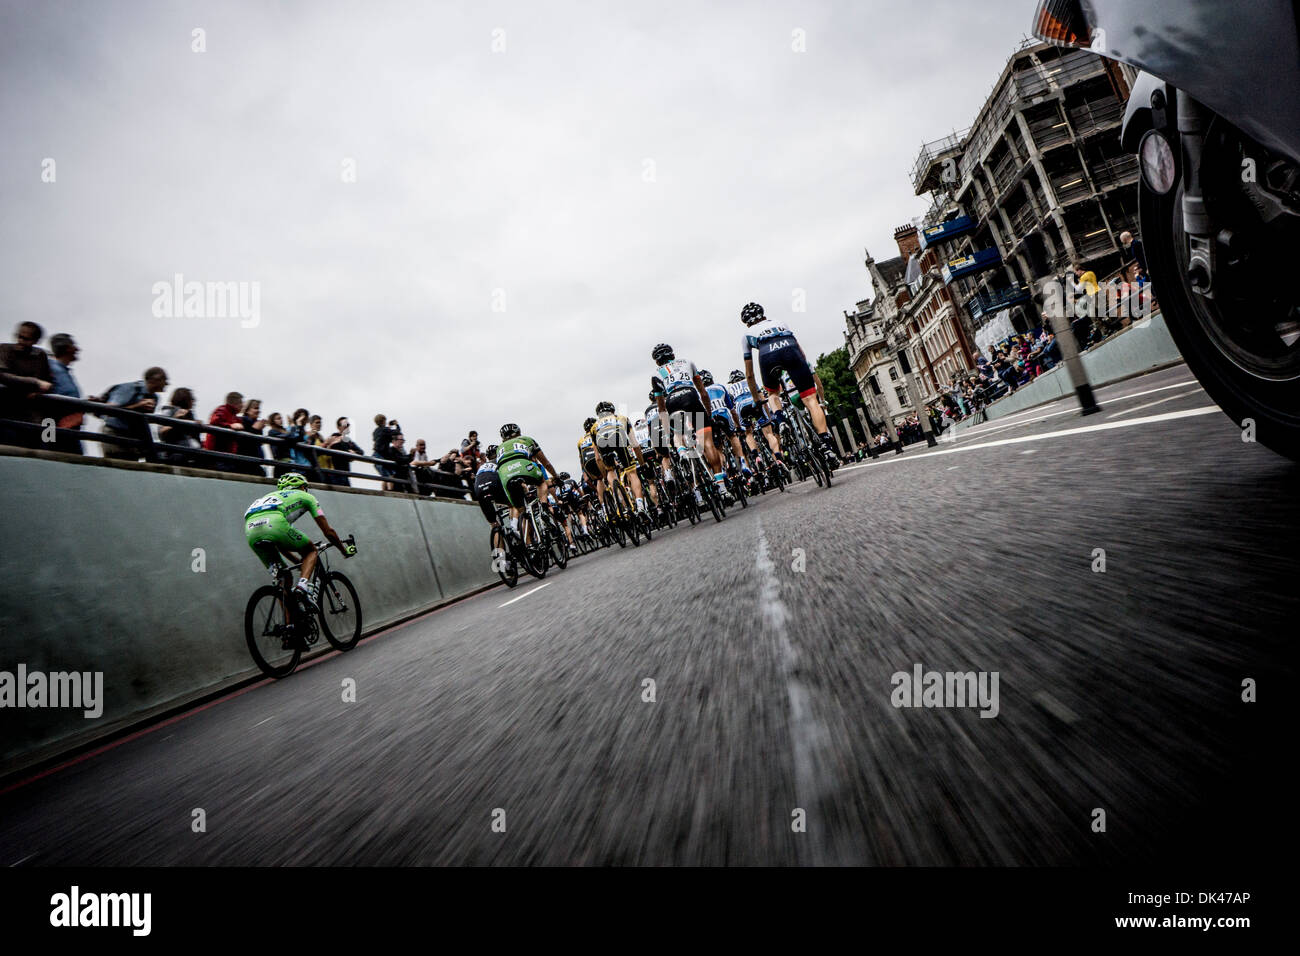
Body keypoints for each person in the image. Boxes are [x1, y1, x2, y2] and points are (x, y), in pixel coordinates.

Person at [738, 302, 840, 470]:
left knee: (773, 394)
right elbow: (802, 353)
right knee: (810, 399)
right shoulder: (780, 322)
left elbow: (749, 374)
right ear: (763, 315)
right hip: (790, 348)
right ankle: (826, 444)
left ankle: (781, 419)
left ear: (747, 323)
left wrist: (757, 400)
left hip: (767, 355)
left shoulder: (746, 335)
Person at [243, 473, 354, 613]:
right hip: (275, 524)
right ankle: (302, 587)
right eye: (305, 488)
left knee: (284, 580)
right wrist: (343, 550)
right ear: (302, 487)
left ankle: (289, 627)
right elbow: (329, 532)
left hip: (251, 531)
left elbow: (280, 544)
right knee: (311, 551)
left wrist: (298, 562)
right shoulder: (306, 496)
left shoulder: (271, 497)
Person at [650, 342, 731, 500]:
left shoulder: (656, 374)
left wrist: (668, 433)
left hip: (672, 401)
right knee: (707, 443)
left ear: (657, 361)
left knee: (677, 432)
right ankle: (722, 487)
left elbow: (661, 409)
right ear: (672, 355)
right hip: (690, 396)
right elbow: (704, 393)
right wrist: (707, 415)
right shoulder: (688, 362)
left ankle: (681, 452)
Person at [495, 423, 562, 530]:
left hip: (505, 474)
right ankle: (544, 508)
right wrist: (556, 476)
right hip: (523, 466)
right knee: (541, 482)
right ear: (519, 432)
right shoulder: (526, 439)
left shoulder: (499, 448)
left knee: (522, 512)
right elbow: (546, 463)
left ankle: (529, 542)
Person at [589, 400, 652, 514]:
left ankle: (619, 500)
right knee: (632, 472)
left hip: (602, 441)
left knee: (611, 471)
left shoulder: (594, 427)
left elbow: (598, 458)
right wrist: (642, 464)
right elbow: (635, 444)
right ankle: (640, 505)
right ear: (612, 411)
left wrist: (605, 476)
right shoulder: (622, 418)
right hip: (618, 436)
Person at [100, 366, 168, 460]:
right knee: (115, 465)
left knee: (130, 467)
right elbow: (110, 410)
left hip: (132, 436)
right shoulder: (130, 388)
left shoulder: (155, 398)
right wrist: (138, 405)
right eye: (165, 380)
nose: (167, 384)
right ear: (156, 379)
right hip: (115, 432)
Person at [46, 332, 85, 453]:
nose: (77, 349)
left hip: (71, 429)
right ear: (67, 348)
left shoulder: (64, 370)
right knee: (52, 458)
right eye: (74, 345)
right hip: (55, 426)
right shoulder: (51, 367)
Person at [203, 391, 247, 472]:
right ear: (235, 403)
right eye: (241, 402)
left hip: (227, 456)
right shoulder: (222, 410)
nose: (243, 405)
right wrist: (230, 426)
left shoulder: (235, 417)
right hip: (217, 455)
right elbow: (215, 422)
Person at [158, 387, 202, 465]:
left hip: (191, 451)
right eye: (191, 398)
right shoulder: (169, 410)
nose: (193, 401)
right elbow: (161, 433)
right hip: (174, 451)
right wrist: (175, 419)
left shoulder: (190, 414)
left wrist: (197, 426)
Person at [325, 417, 363, 487]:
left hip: (345, 473)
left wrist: (354, 453)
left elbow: (361, 452)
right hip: (335, 473)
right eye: (345, 425)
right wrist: (349, 454)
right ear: (338, 427)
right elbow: (330, 449)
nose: (347, 427)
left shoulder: (347, 440)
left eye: (348, 425)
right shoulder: (334, 437)